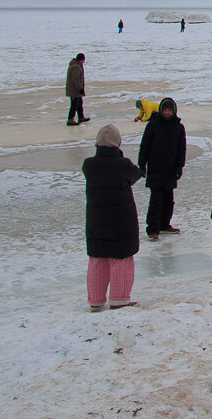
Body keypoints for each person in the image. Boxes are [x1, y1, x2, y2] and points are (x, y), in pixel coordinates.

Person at [83, 124, 141, 311]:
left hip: (96, 220)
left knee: (97, 259)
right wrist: (120, 156)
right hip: (121, 220)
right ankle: (119, 299)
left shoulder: (89, 165)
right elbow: (136, 174)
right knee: (121, 258)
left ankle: (95, 300)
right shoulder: (122, 165)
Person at [138, 97, 187, 241]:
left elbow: (181, 149)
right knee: (156, 201)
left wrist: (180, 166)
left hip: (170, 169)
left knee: (168, 200)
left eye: (169, 111)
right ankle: (153, 229)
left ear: (174, 111)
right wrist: (142, 164)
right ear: (161, 111)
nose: (167, 113)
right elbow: (144, 146)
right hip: (155, 168)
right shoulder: (153, 125)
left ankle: (164, 225)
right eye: (165, 110)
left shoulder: (178, 127)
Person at [66, 53, 89, 126]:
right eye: (83, 60)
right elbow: (76, 79)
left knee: (79, 104)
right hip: (74, 90)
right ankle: (70, 119)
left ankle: (81, 117)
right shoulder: (75, 67)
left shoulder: (77, 65)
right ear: (80, 60)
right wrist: (80, 88)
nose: (84, 62)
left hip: (76, 89)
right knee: (74, 105)